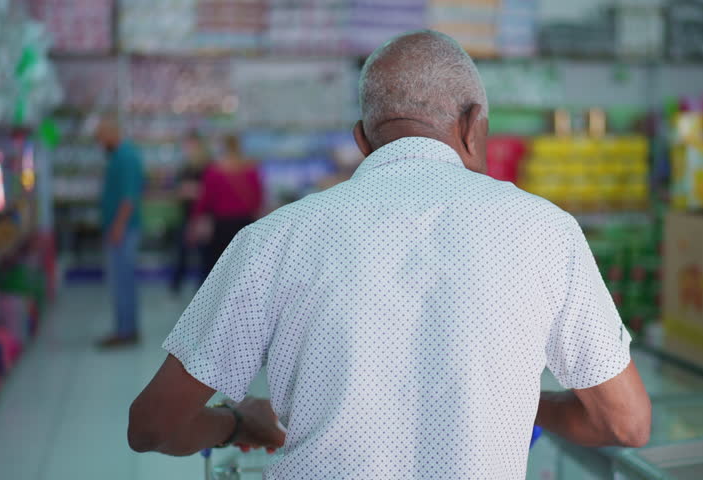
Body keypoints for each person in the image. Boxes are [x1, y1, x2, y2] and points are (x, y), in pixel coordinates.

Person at [128, 30, 651, 478]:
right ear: (473, 126)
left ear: (362, 139)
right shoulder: (547, 232)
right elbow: (625, 423)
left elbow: (153, 425)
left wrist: (238, 424)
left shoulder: (276, 238)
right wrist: (511, 403)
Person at [96, 116, 145, 349]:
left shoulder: (125, 157)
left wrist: (117, 227)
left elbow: (128, 198)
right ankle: (128, 328)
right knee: (123, 280)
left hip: (123, 230)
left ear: (111, 134)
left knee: (121, 282)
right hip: (122, 229)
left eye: (100, 138)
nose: (99, 144)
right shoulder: (121, 155)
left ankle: (125, 331)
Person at [187, 134, 263, 282]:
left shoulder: (215, 171)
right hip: (245, 224)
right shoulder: (251, 169)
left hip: (221, 225)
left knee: (217, 268)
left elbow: (205, 201)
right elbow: (258, 199)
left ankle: (217, 301)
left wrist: (194, 222)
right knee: (241, 268)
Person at [171, 130, 211, 295]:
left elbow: (208, 191)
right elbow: (179, 190)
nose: (187, 149)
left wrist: (192, 190)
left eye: (190, 145)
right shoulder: (185, 167)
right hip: (187, 215)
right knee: (183, 251)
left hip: (203, 216)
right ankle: (176, 284)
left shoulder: (207, 166)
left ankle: (204, 287)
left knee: (204, 254)